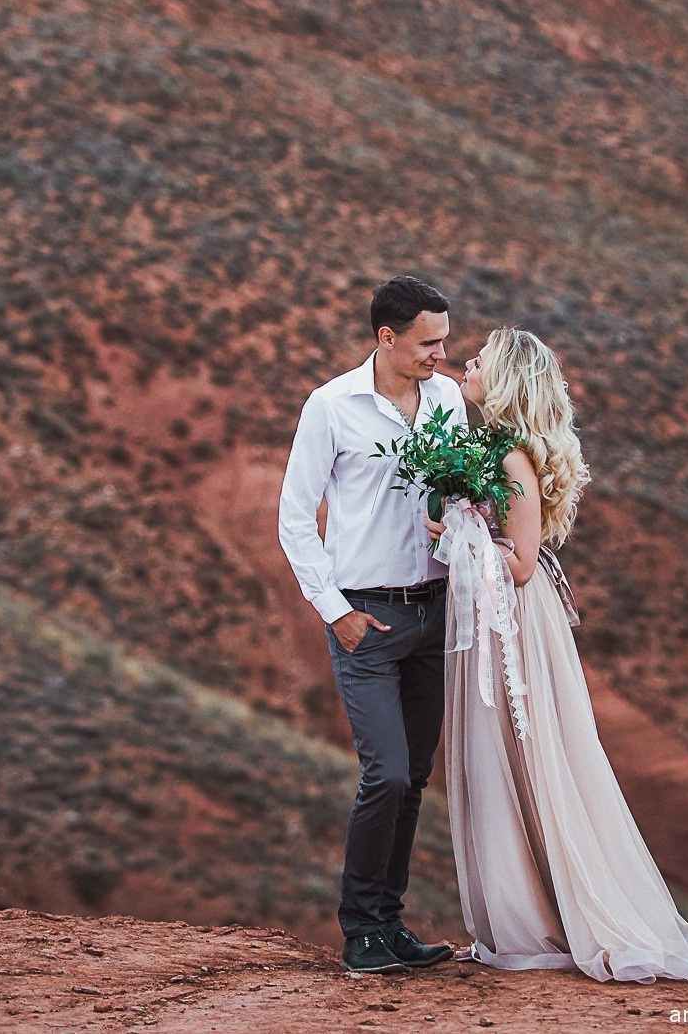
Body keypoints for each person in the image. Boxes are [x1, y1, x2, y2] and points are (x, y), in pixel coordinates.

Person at [426, 327, 688, 984]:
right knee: (496, 762)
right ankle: (511, 920)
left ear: (508, 382)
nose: (467, 364)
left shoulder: (512, 458)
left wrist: (455, 531)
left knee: (517, 759)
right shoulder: (487, 450)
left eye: (480, 361)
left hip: (512, 623)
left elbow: (520, 564)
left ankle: (534, 926)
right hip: (492, 617)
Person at [277, 275, 467, 974]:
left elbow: (457, 494)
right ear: (386, 337)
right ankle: (360, 930)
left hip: (435, 612)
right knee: (384, 774)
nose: (441, 355)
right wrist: (338, 614)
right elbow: (295, 517)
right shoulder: (331, 406)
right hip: (368, 618)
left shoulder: (446, 399)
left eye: (445, 341)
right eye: (429, 342)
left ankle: (390, 927)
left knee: (414, 777)